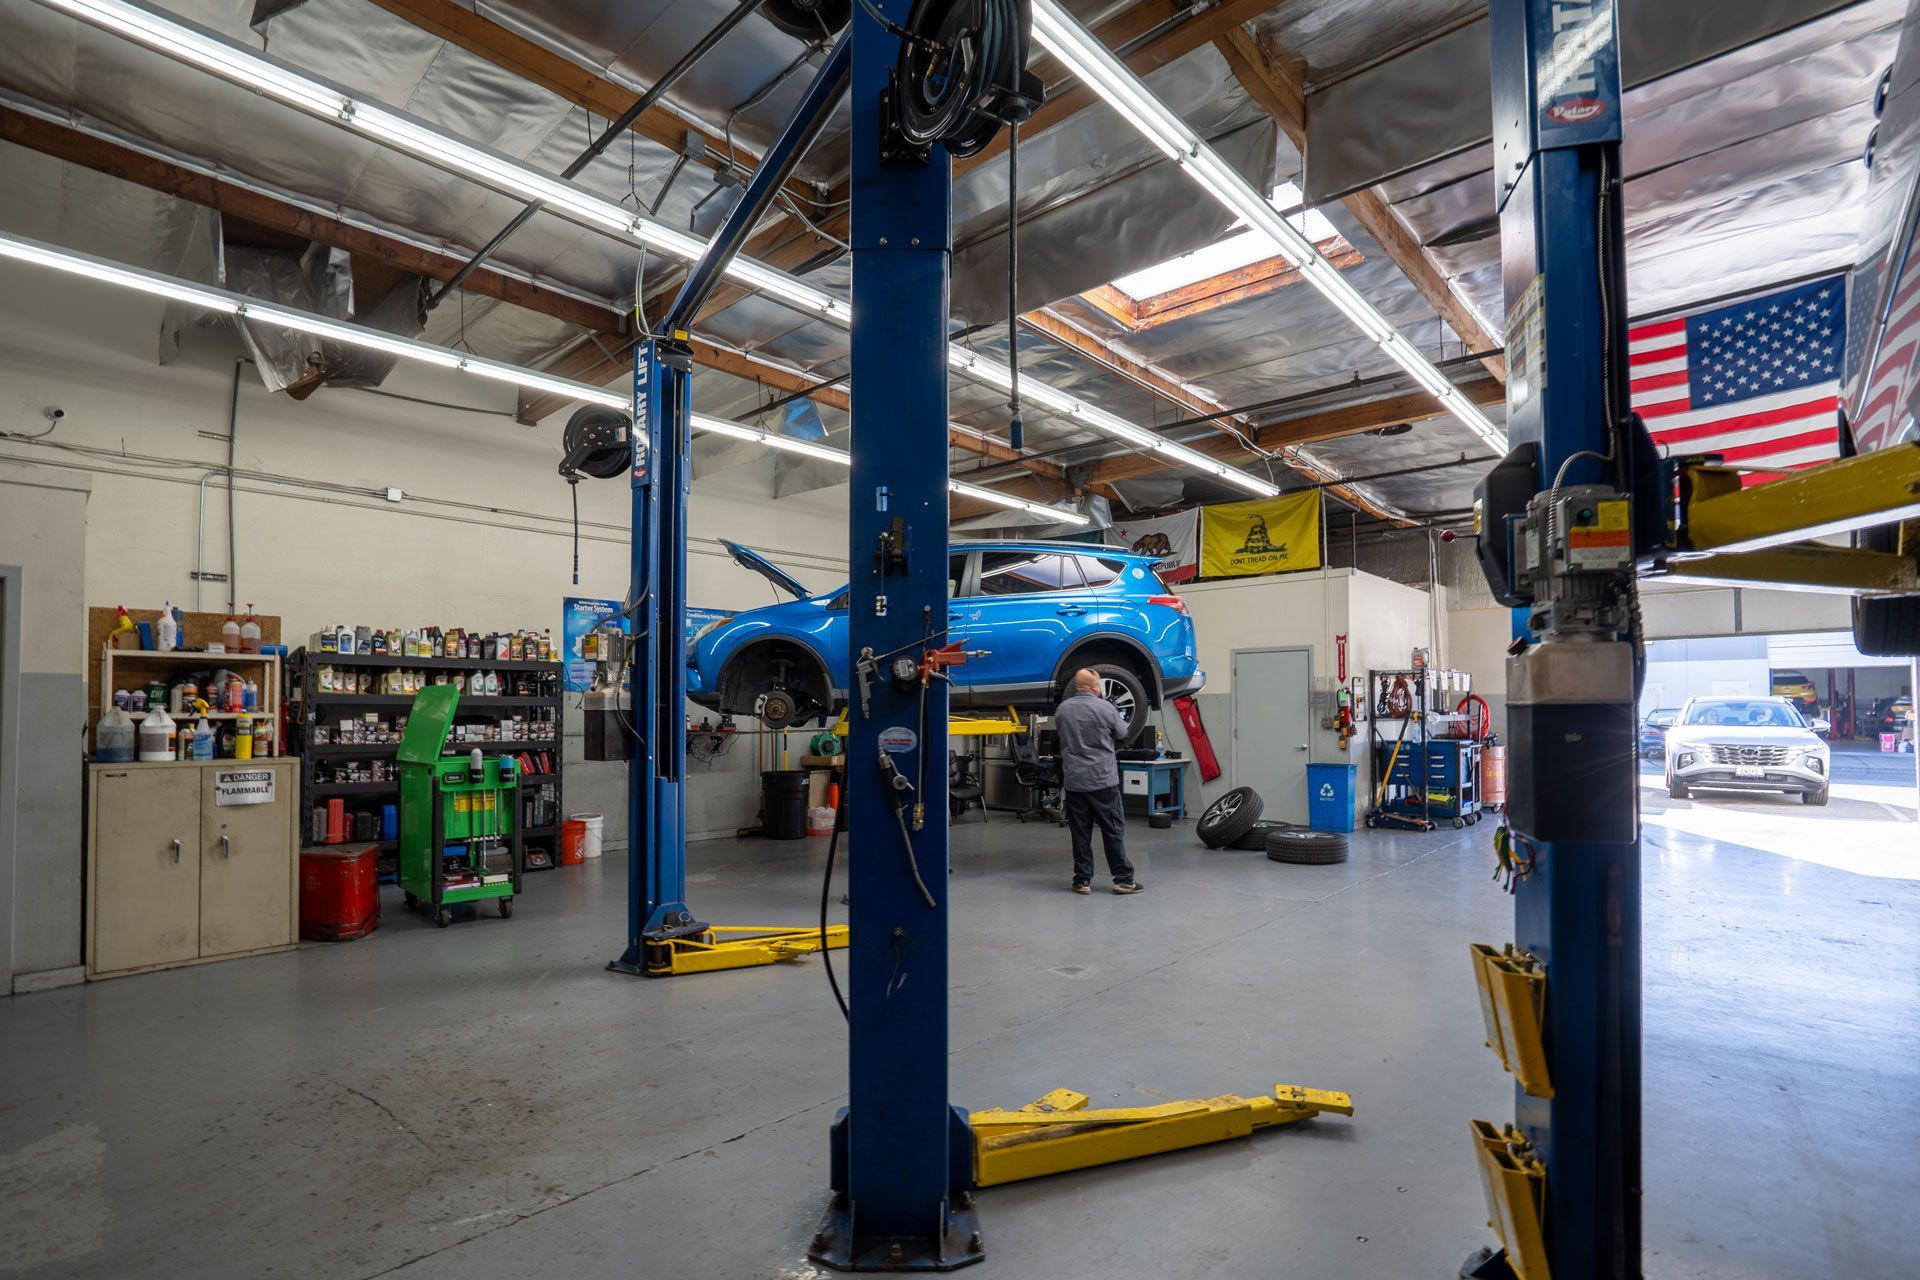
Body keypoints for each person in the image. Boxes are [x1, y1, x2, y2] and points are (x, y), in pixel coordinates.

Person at [1053, 668, 1142, 896]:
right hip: (1103, 781)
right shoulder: (1106, 708)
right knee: (1113, 830)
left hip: (1075, 782)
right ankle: (1123, 879)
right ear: (1095, 687)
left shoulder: (1062, 710)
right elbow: (1122, 733)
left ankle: (1082, 881)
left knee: (1080, 833)